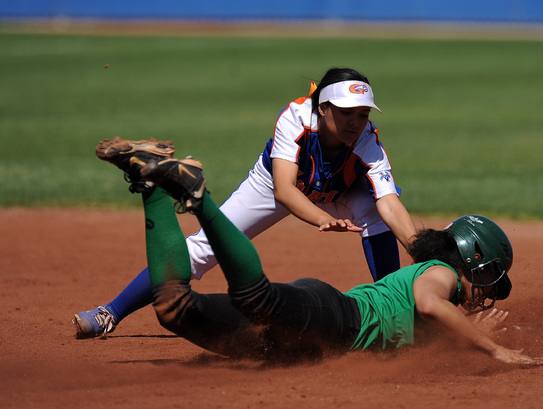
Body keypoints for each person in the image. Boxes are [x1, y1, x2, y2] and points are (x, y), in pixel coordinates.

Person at [82, 138, 543, 367]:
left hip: (309, 342)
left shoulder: (446, 299)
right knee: (257, 299)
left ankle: (150, 182)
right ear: (467, 259)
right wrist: (492, 348)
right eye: (484, 277)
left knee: (176, 310)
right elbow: (428, 304)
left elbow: (423, 329)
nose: (484, 292)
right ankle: (199, 200)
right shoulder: (439, 275)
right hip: (334, 316)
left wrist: (461, 335)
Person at [73, 67, 418, 339]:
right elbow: (284, 189)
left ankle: (398, 311)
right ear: (323, 107)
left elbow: (390, 205)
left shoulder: (368, 141)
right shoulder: (297, 118)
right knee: (202, 250)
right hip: (272, 185)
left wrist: (424, 254)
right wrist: (319, 219)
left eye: (363, 114)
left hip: (337, 193)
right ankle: (110, 313)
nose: (356, 123)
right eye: (347, 113)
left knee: (373, 212)